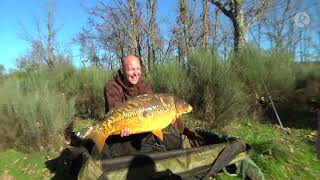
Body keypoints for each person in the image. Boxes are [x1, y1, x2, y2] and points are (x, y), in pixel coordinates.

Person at [102, 54, 182, 158]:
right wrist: (121, 126)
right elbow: (115, 112)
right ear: (122, 70)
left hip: (144, 131)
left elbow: (152, 112)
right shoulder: (112, 86)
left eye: (138, 69)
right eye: (131, 69)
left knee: (174, 139)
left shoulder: (145, 86)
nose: (135, 73)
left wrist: (167, 117)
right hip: (123, 132)